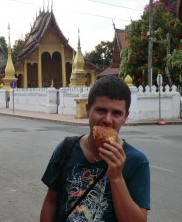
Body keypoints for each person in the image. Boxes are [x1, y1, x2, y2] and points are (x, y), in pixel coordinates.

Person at [40, 76, 150, 222]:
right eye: (101, 110)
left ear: (125, 117)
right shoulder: (66, 149)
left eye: (116, 113)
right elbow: (51, 201)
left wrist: (117, 178)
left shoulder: (136, 162)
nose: (108, 120)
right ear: (88, 109)